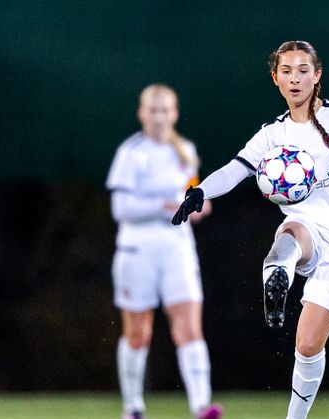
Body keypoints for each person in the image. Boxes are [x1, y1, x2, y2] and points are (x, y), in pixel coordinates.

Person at [171, 40, 329, 419]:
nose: (295, 78)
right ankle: (277, 271)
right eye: (287, 71)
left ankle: (295, 417)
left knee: (307, 345)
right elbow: (237, 168)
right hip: (306, 231)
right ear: (275, 78)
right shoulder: (272, 134)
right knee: (292, 227)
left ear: (317, 75)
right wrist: (200, 191)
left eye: (303, 70)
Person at [106, 84, 221, 419]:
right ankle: (133, 406)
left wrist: (201, 206)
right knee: (138, 333)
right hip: (137, 250)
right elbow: (121, 208)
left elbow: (195, 196)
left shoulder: (184, 150)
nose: (158, 117)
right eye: (152, 110)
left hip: (178, 250)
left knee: (188, 329)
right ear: (142, 113)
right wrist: (163, 205)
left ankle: (202, 406)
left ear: (175, 113)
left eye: (165, 110)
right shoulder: (131, 152)